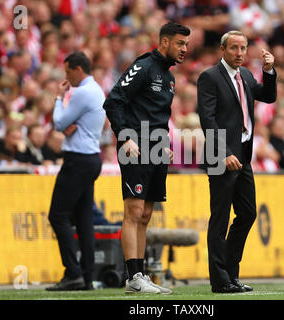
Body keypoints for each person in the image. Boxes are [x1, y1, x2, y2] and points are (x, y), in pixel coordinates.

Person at [102, 22, 190, 294]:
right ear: (164, 42)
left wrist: (164, 144)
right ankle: (133, 277)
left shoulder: (169, 76)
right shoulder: (144, 66)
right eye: (180, 43)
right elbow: (113, 100)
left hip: (156, 148)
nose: (185, 49)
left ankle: (140, 275)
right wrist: (124, 137)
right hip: (134, 145)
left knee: (147, 213)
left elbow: (157, 116)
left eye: (186, 44)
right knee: (134, 210)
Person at [197, 30, 277, 293]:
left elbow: (267, 96)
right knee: (220, 219)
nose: (239, 53)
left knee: (248, 213)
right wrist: (223, 153)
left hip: (242, 155)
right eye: (233, 48)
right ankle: (220, 281)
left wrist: (269, 72)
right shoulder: (209, 77)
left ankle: (230, 273)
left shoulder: (244, 75)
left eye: (243, 48)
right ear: (223, 50)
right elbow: (208, 120)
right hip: (221, 156)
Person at [46, 52, 106, 291]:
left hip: (77, 159)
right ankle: (87, 275)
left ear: (79, 69)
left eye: (68, 71)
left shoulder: (81, 93)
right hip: (91, 157)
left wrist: (58, 99)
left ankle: (73, 273)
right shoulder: (97, 90)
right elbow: (69, 124)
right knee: (83, 219)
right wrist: (72, 123)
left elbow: (59, 123)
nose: (66, 76)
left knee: (57, 215)